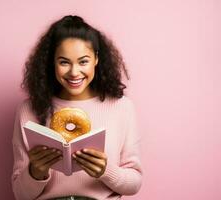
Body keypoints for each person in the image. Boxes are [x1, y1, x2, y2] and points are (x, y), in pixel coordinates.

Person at [11, 15, 142, 200]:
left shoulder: (122, 108)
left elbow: (135, 183)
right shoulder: (28, 109)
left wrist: (106, 171)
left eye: (83, 61)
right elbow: (20, 194)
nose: (74, 72)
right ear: (52, 62)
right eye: (64, 62)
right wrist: (35, 172)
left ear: (96, 59)